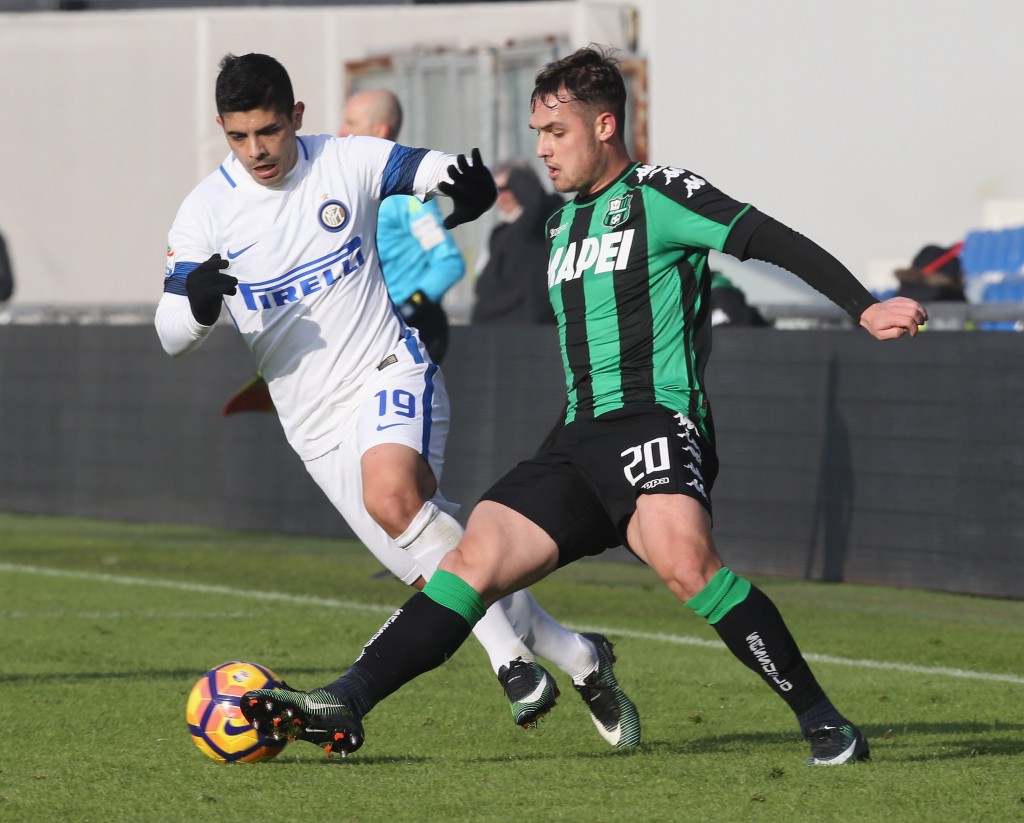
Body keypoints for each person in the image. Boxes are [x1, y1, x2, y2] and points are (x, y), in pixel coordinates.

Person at [241, 45, 928, 765]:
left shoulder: (661, 193)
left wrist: (865, 307)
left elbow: (769, 238)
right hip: (577, 439)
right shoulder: (560, 222)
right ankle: (344, 700)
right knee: (471, 558)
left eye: (555, 132)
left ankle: (825, 722)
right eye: (538, 132)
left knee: (686, 564)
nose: (542, 148)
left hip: (657, 421)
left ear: (604, 126)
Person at [157, 52, 640, 752]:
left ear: (296, 117)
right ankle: (581, 656)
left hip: (392, 370)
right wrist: (196, 307)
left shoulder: (343, 160)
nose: (257, 150)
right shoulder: (206, 211)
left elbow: (424, 168)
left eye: (268, 130)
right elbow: (171, 333)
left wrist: (461, 188)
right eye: (238, 137)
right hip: (315, 429)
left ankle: (512, 666)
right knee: (456, 571)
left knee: (393, 497)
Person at [221, 87, 465, 416]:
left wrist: (410, 305)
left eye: (350, 122)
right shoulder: (342, 186)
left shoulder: (407, 199)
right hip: (360, 333)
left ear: (379, 132)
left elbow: (448, 263)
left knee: (387, 436)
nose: (340, 132)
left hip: (411, 331)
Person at [471, 159, 561, 325]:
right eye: (497, 190)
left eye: (510, 188)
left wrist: (517, 175)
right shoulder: (498, 233)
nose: (503, 196)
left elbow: (537, 204)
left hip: (531, 333)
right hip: (494, 332)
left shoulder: (544, 220)